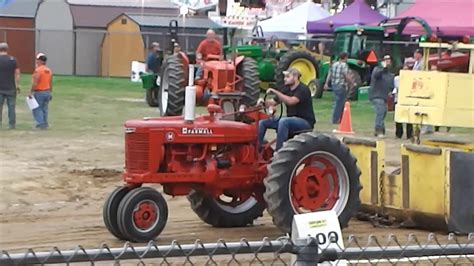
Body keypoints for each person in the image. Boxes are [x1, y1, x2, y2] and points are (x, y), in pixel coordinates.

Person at [258, 67, 316, 151]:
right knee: (263, 122)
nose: (285, 79)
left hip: (305, 122)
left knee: (284, 121)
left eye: (287, 77)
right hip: (290, 120)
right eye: (285, 77)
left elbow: (291, 101)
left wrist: (275, 91)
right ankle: (257, 149)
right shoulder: (286, 89)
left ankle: (278, 152)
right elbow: (272, 102)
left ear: (295, 77)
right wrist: (263, 102)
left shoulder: (303, 89)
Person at [324, 52, 356, 124]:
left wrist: (326, 83)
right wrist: (352, 83)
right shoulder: (344, 65)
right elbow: (346, 75)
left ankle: (340, 119)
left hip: (334, 85)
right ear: (345, 58)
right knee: (339, 103)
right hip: (341, 86)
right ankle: (335, 119)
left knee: (338, 102)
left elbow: (330, 74)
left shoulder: (334, 64)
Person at [369, 55, 395, 137]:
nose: (387, 61)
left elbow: (391, 86)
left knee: (383, 112)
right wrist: (383, 68)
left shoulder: (390, 75)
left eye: (389, 60)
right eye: (385, 60)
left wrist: (391, 92)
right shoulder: (377, 70)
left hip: (384, 97)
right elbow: (376, 75)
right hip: (376, 95)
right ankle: (379, 130)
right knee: (380, 111)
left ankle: (381, 129)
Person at [29, 53, 53, 130]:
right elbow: (50, 82)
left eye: (37, 60)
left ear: (40, 61)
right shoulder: (48, 70)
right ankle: (45, 123)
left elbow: (35, 82)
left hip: (39, 92)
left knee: (37, 108)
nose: (36, 61)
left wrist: (31, 92)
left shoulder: (38, 70)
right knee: (44, 108)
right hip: (47, 91)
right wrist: (50, 92)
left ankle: (40, 124)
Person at [0, 42, 21, 129]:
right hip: (11, 87)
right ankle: (12, 124)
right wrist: (17, 85)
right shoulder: (13, 60)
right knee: (11, 107)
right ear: (7, 49)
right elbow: (17, 73)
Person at [393, 64, 413, 139]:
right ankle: (399, 133)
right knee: (398, 118)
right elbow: (399, 87)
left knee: (409, 118)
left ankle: (409, 134)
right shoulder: (397, 78)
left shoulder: (411, 78)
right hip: (399, 100)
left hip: (409, 100)